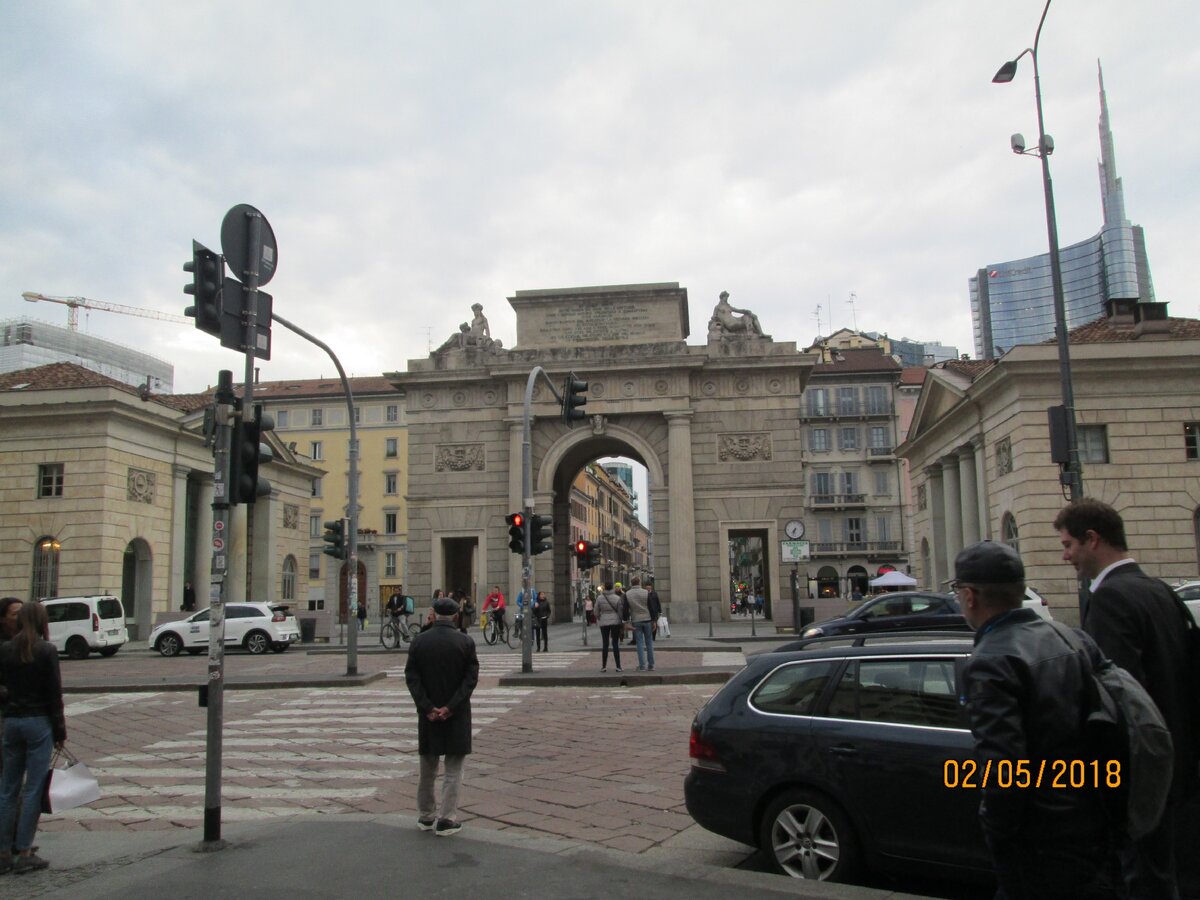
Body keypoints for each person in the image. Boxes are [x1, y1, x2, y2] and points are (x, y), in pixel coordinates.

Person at [1055, 499, 1195, 898]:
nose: (1066, 556)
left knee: (1142, 882)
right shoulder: (1158, 590)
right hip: (1177, 763)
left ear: (1092, 539)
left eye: (1068, 545)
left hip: (1141, 777)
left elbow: (1118, 699)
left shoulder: (1111, 599)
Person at [954, 540, 1110, 900]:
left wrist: (997, 830)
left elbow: (1003, 768)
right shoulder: (1070, 636)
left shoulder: (991, 661)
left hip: (1041, 835)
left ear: (970, 596)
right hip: (1092, 813)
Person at [0, 601, 67, 874]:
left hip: (12, 722)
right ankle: (25, 852)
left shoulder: (5, 649)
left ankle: (3, 853)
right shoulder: (46, 650)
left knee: (8, 789)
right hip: (38, 721)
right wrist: (60, 731)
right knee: (33, 789)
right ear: (42, 622)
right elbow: (54, 693)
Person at [404, 596, 479, 837]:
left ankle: (426, 816)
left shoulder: (419, 642)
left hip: (429, 717)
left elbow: (412, 678)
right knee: (453, 771)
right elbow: (470, 681)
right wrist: (451, 707)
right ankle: (446, 819)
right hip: (456, 716)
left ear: (434, 615)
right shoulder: (465, 642)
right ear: (456, 616)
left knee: (427, 769)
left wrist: (428, 707)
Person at [624, 577, 655, 671]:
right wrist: (654, 620)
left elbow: (625, 609)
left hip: (636, 620)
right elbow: (651, 607)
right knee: (649, 642)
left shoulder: (627, 594)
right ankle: (651, 665)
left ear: (631, 583)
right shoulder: (646, 592)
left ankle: (642, 666)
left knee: (639, 644)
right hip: (647, 619)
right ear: (639, 582)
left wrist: (626, 622)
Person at [594, 582, 624, 673]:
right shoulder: (617, 598)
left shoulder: (599, 598)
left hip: (604, 622)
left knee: (605, 643)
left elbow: (596, 611)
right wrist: (620, 620)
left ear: (604, 588)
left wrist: (600, 617)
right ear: (612, 588)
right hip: (615, 622)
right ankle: (618, 666)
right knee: (615, 643)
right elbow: (620, 611)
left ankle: (603, 666)